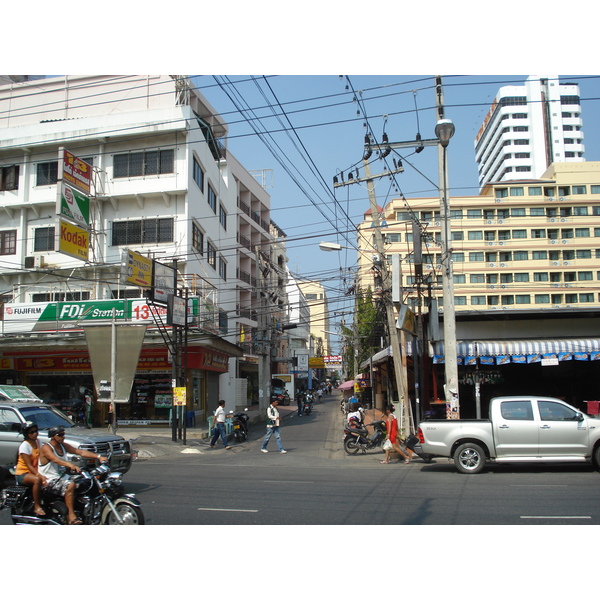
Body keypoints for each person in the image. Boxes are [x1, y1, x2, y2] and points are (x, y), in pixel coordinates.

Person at [39, 426, 107, 525]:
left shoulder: (63, 446)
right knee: (70, 485)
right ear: (53, 436)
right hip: (49, 480)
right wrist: (70, 465)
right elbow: (54, 459)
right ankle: (71, 516)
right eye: (60, 435)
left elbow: (80, 452)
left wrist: (99, 457)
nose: (63, 437)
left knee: (87, 481)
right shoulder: (46, 447)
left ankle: (83, 507)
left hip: (63, 477)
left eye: (64, 434)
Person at [15, 422, 47, 516]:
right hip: (23, 473)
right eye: (31, 432)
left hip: (35, 471)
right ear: (26, 434)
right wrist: (40, 476)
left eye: (36, 431)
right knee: (37, 480)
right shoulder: (24, 446)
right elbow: (29, 465)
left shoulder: (38, 442)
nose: (35, 434)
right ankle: (37, 506)